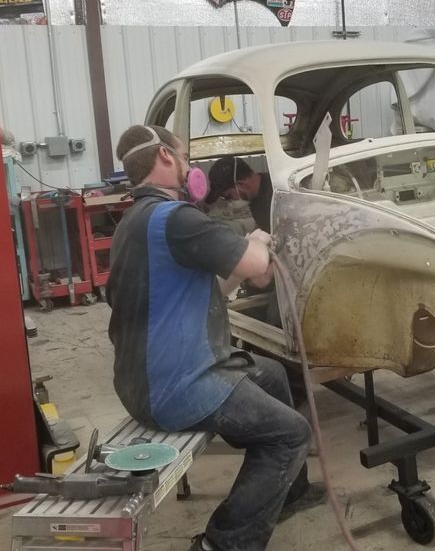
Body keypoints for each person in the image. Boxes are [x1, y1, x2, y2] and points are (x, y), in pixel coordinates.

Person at [106, 125, 323, 551]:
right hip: (175, 385)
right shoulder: (177, 219)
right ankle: (223, 543)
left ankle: (285, 491)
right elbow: (259, 263)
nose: (190, 168)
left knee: (274, 375)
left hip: (141, 378)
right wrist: (257, 239)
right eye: (184, 158)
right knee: (290, 434)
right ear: (166, 158)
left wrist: (246, 264)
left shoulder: (135, 220)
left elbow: (218, 286)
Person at [207, 157, 273, 234]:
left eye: (228, 196)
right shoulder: (254, 198)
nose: (229, 202)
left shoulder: (275, 196)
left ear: (241, 185)